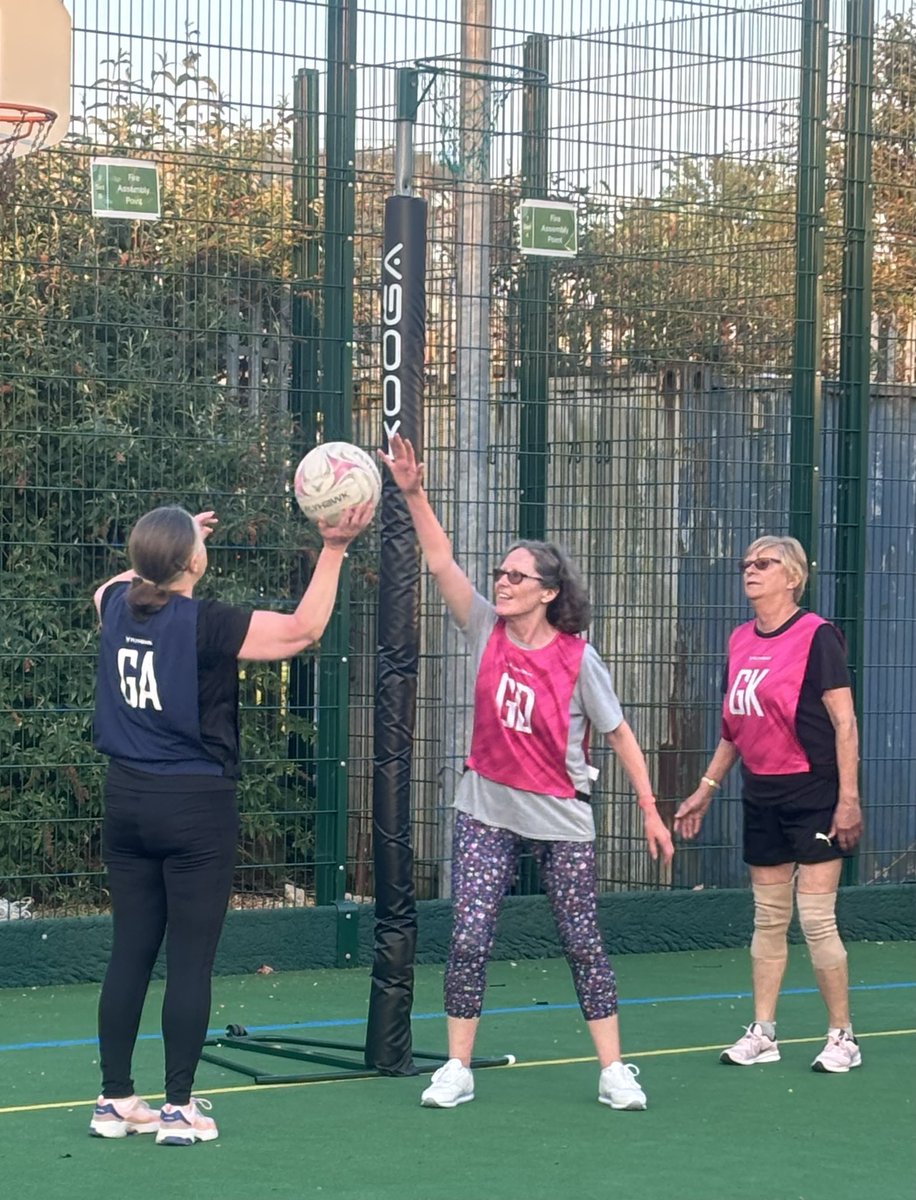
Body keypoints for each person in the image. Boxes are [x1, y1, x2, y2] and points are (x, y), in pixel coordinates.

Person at [380, 433, 674, 1112]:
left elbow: (622, 735)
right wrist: (413, 490)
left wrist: (651, 810)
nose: (501, 583)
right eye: (502, 574)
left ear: (548, 593)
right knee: (470, 934)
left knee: (581, 940)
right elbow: (441, 558)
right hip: (484, 806)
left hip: (560, 815)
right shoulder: (483, 626)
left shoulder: (578, 659)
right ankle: (457, 1068)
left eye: (516, 577)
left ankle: (614, 1070)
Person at [88, 501, 373, 1145]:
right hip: (193, 804)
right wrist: (333, 548)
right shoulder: (205, 624)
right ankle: (179, 1110)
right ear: (195, 561)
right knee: (190, 959)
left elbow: (117, 580)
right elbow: (303, 630)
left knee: (130, 951)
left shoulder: (114, 606)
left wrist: (171, 541)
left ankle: (113, 1100)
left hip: (126, 799)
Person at [674, 535, 864, 1073]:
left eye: (765, 563)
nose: (751, 570)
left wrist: (848, 799)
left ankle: (842, 1035)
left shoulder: (816, 636)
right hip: (761, 792)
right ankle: (764, 1032)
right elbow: (736, 729)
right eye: (747, 563)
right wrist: (705, 790)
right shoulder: (739, 640)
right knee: (769, 919)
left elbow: (844, 722)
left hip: (813, 791)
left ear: (793, 577)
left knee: (817, 920)